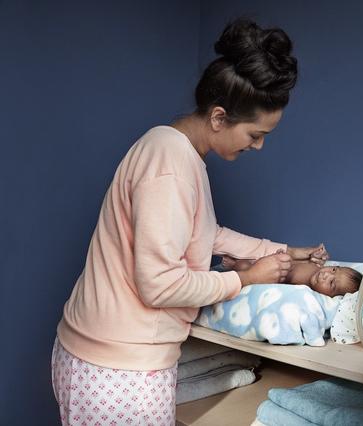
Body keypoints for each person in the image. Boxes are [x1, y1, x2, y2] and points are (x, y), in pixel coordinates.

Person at [50, 18, 328, 426]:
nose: (260, 145)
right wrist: (245, 280)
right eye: (254, 134)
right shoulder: (172, 166)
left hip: (110, 358)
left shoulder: (177, 152)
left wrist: (281, 251)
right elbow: (160, 284)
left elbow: (204, 234)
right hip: (117, 368)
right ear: (219, 118)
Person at [221, 250, 362, 297]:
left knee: (243, 265)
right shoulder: (316, 267)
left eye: (332, 283)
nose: (326, 275)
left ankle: (234, 266)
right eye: (334, 270)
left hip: (268, 276)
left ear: (331, 297)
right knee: (250, 261)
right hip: (272, 263)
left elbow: (281, 285)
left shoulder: (304, 290)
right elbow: (298, 261)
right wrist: (314, 256)